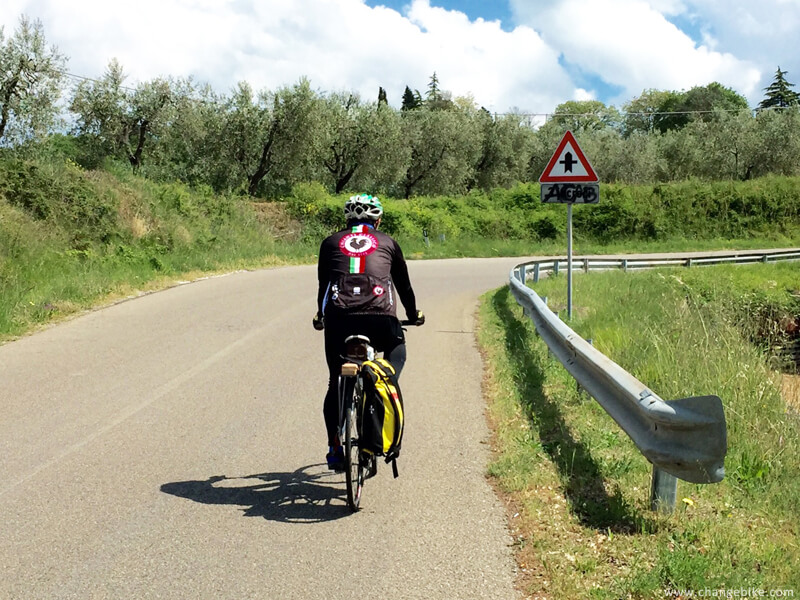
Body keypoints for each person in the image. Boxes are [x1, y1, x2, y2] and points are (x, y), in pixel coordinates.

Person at [314, 193, 424, 471]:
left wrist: (320, 315)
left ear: (346, 219)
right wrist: (413, 315)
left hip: (339, 318)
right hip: (380, 317)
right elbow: (403, 286)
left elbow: (324, 286)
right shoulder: (388, 242)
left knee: (334, 382)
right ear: (379, 219)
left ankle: (334, 448)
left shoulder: (329, 243)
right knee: (397, 351)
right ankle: (380, 382)